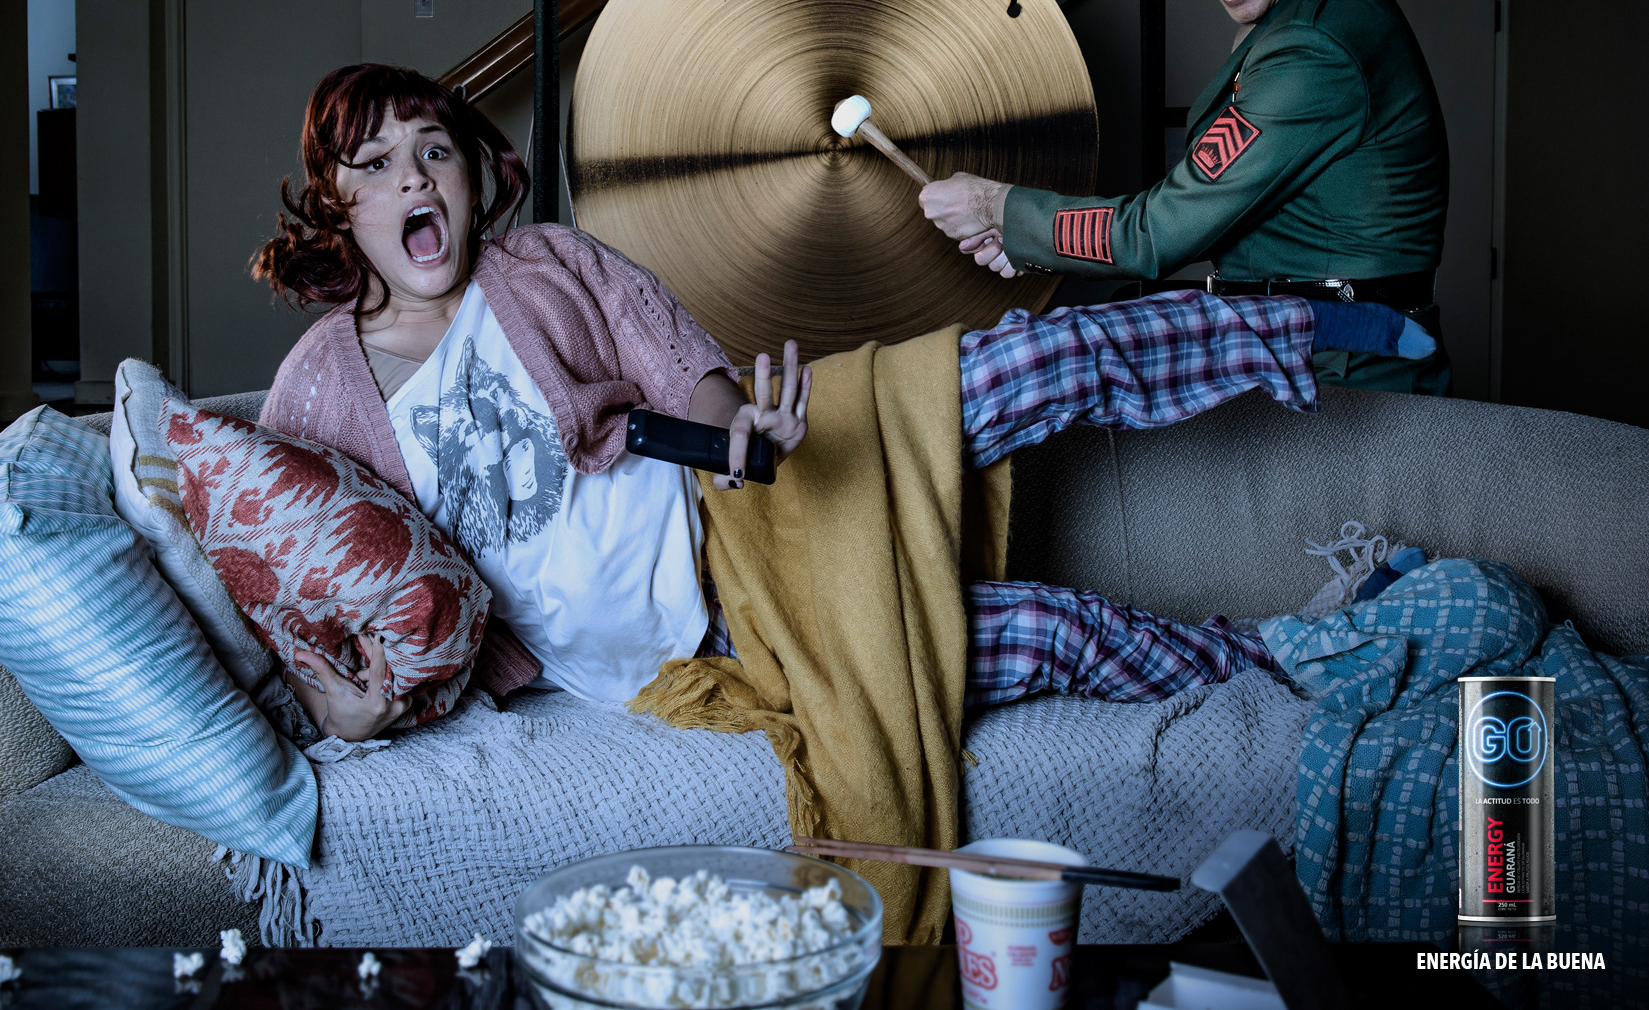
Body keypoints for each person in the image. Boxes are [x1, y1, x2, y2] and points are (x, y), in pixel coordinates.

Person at [252, 63, 1431, 740]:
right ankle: (1301, 651)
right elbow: (288, 571)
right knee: (1045, 635)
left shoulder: (545, 262)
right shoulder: (318, 387)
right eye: (375, 165)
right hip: (713, 643)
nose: (413, 176)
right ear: (337, 206)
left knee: (1021, 364)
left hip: (741, 506)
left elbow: (675, 360)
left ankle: (1289, 328)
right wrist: (347, 705)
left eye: (435, 150)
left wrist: (735, 426)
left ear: (473, 174)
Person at [918, 0, 1452, 396]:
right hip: (1302, 348)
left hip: (1348, 374)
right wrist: (1027, 241)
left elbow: (1155, 234)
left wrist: (997, 207)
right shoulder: (1302, 9)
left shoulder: (1314, 46)